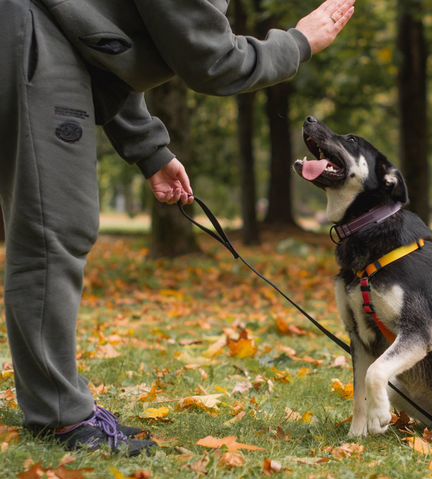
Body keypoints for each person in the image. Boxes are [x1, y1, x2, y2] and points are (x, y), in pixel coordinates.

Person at [0, 0, 355, 455]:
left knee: (56, 228)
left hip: (42, 37)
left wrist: (151, 149)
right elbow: (212, 61)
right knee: (56, 229)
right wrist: (300, 42)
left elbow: (99, 39)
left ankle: (58, 406)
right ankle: (59, 416)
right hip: (28, 36)